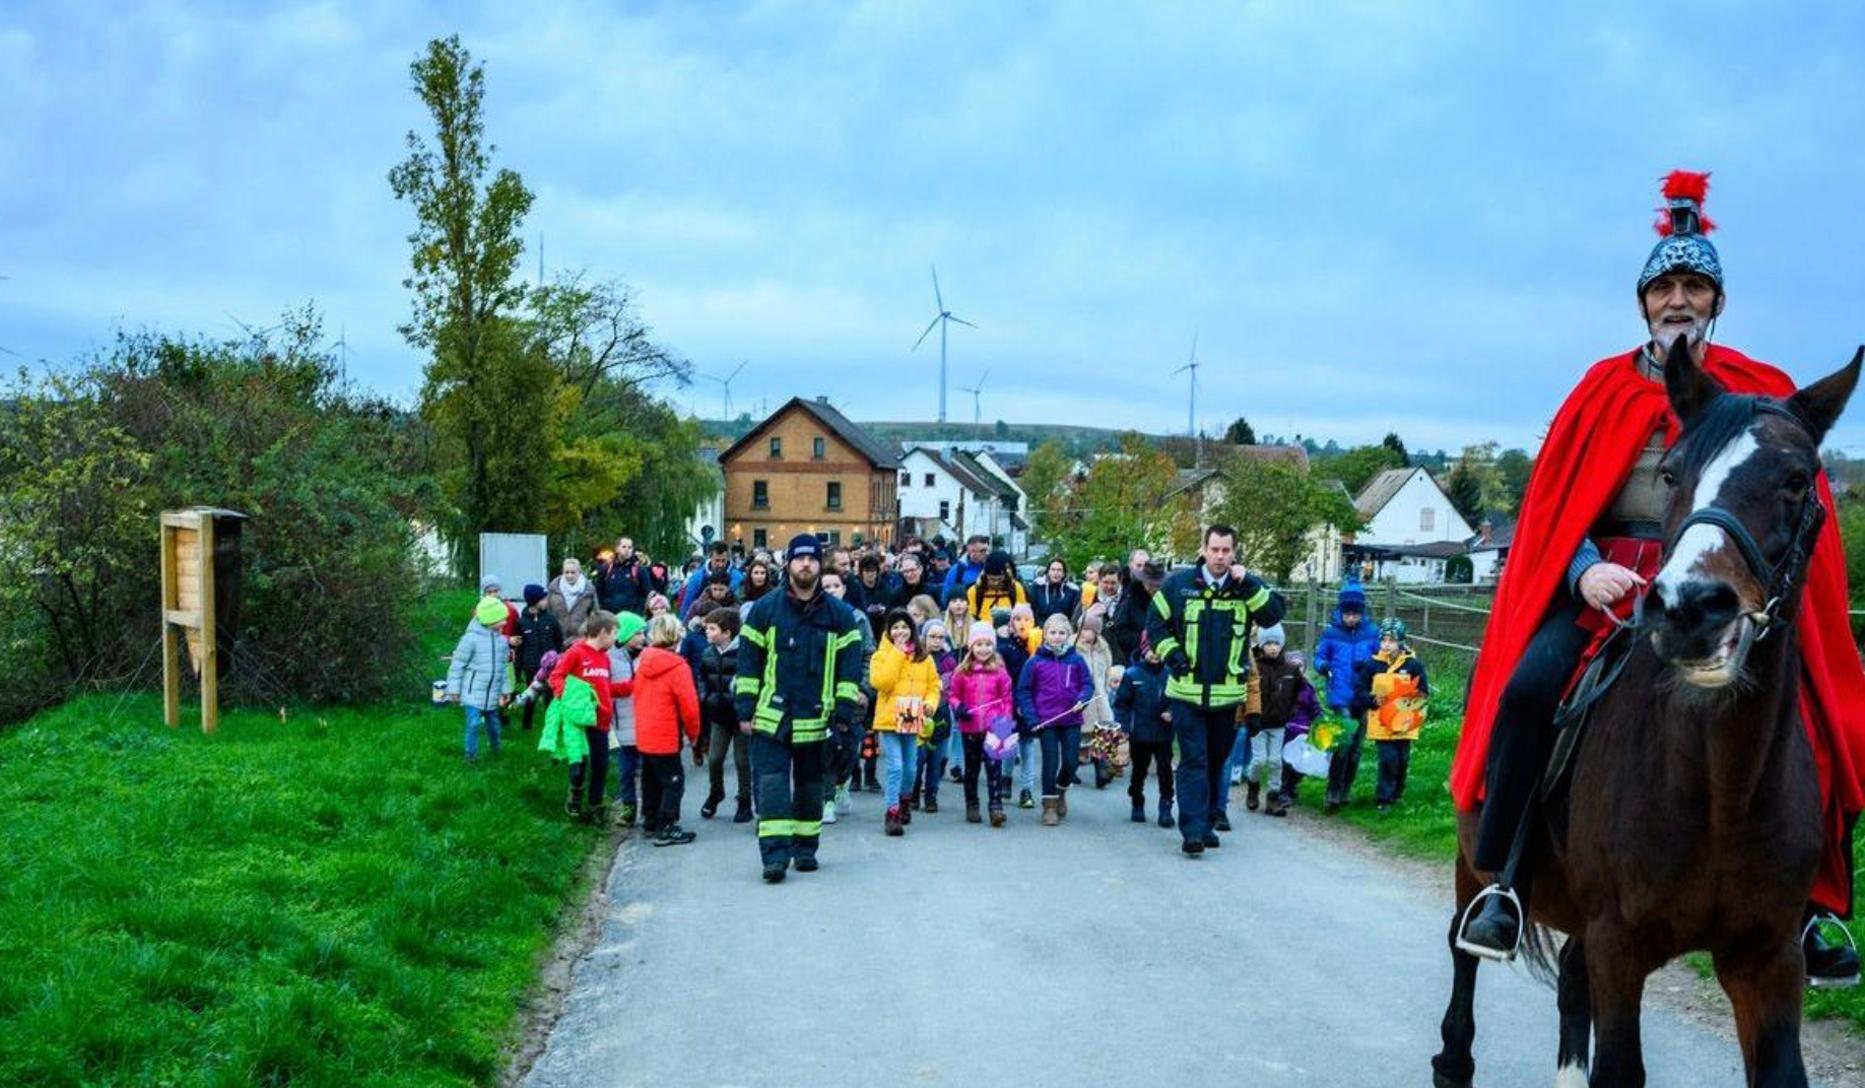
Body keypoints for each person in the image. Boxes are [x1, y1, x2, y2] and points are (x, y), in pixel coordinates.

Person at [1456, 173, 1865, 976]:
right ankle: (1500, 878)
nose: (1678, 299)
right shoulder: (1598, 392)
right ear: (1643, 303)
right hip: (1609, 585)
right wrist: (1581, 575)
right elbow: (1550, 515)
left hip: (1721, 582)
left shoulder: (1757, 391)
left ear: (1715, 300)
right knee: (1530, 688)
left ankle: (1815, 903)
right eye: (1664, 287)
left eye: (1694, 285)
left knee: (1818, 709)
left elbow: (1793, 507)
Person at [1145, 524, 1286, 857]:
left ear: (1234, 552)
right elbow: (1155, 623)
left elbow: (1273, 615)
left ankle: (1207, 821)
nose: (1220, 557)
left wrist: (1248, 581)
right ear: (1203, 549)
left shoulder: (1246, 588)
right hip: (1186, 694)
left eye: (1226, 550)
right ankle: (1192, 830)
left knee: (1216, 761)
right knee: (1193, 760)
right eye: (1215, 549)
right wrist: (1172, 654)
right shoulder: (1179, 586)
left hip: (1227, 698)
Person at [735, 534, 865, 883]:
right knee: (773, 787)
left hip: (817, 718)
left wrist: (842, 713)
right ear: (789, 564)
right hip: (771, 717)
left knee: (810, 788)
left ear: (819, 565)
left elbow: (849, 670)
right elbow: (748, 661)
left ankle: (805, 849)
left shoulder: (840, 616)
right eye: (799, 559)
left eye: (811, 559)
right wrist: (745, 709)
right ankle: (775, 858)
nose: (805, 565)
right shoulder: (766, 609)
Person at [548, 611, 634, 822]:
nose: (616, 639)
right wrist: (567, 697)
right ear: (603, 632)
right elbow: (556, 677)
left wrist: (631, 686)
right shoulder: (576, 652)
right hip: (579, 720)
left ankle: (596, 807)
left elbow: (605, 688)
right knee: (579, 764)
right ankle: (575, 796)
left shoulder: (604, 658)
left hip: (601, 721)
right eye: (615, 633)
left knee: (601, 765)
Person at [1016, 613, 1095, 827]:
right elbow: (1023, 691)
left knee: (1071, 762)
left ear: (1068, 635)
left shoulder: (1076, 660)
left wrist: (1082, 699)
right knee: (1050, 762)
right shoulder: (1035, 662)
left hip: (1071, 719)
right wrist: (1032, 718)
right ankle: (1049, 805)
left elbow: (1087, 685)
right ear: (1045, 635)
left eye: (1062, 633)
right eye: (1053, 632)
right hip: (1046, 721)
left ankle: (1061, 790)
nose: (1057, 637)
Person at [869, 608, 943, 836]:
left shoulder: (924, 658)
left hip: (912, 715)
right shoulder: (881, 655)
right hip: (889, 718)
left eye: (904, 627)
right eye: (895, 627)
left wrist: (931, 703)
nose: (901, 631)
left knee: (911, 767)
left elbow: (933, 685)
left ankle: (904, 802)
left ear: (912, 630)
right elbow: (881, 683)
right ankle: (891, 813)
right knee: (895, 766)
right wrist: (897, 654)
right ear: (888, 631)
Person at [633, 613, 703, 846]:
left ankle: (650, 819)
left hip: (644, 731)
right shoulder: (677, 667)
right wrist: (694, 736)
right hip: (666, 733)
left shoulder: (644, 661)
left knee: (651, 778)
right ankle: (667, 825)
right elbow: (689, 706)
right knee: (674, 781)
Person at [1313, 580, 1379, 812]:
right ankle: (1332, 791)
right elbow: (1319, 656)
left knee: (1356, 748)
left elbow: (1381, 659)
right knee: (1344, 743)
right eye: (1347, 613)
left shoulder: (1372, 633)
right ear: (1341, 611)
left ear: (1362, 612)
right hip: (1340, 695)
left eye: (1356, 613)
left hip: (1362, 696)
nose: (1352, 618)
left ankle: (1345, 791)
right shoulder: (1331, 633)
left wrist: (1370, 666)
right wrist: (1323, 666)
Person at [1353, 619, 1428, 814]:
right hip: (1381, 723)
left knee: (1402, 760)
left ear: (1401, 641)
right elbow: (1360, 689)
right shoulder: (1373, 665)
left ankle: (1397, 794)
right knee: (1388, 759)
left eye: (1391, 640)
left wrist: (1409, 701)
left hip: (1405, 722)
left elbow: (1423, 691)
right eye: (1384, 640)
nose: (1386, 644)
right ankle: (1383, 798)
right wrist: (1371, 700)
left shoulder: (1414, 665)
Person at [820, 568, 879, 805]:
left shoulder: (858, 619)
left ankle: (842, 783)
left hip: (851, 693)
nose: (831, 591)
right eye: (825, 586)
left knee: (848, 749)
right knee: (825, 749)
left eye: (835, 586)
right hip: (820, 695)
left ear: (843, 589)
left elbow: (868, 655)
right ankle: (827, 800)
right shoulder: (812, 616)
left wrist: (864, 689)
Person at [1248, 624, 1319, 818]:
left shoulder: (1290, 669)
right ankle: (1253, 786)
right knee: (1259, 760)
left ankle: (1273, 798)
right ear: (1261, 644)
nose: (1273, 648)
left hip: (1280, 723)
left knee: (1275, 761)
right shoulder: (1254, 666)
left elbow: (1302, 690)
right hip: (1258, 723)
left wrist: (1292, 709)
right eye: (1268, 643)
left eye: (1276, 643)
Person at [948, 621, 1013, 826]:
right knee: (972, 768)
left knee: (994, 768)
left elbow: (1006, 699)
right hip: (970, 726)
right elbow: (953, 694)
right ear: (971, 647)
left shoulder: (1000, 672)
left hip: (993, 729)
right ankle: (972, 803)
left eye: (987, 644)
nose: (983, 649)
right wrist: (958, 707)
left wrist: (1004, 722)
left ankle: (996, 807)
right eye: (979, 644)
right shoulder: (962, 672)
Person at [697, 607, 753, 824]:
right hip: (719, 714)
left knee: (742, 761)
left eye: (712, 629)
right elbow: (702, 677)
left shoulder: (745, 653)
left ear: (727, 632)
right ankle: (716, 792)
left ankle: (745, 800)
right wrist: (705, 697)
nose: (707, 633)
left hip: (741, 715)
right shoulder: (707, 653)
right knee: (714, 758)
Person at [1114, 637, 1174, 827]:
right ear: (1143, 651)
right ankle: (1137, 800)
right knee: (1139, 770)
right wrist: (1123, 727)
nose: (1155, 654)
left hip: (1164, 732)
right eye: (1151, 650)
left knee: (1165, 770)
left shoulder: (1170, 674)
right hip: (1139, 731)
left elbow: (1178, 699)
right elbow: (1122, 703)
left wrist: (1172, 712)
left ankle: (1166, 805)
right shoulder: (1132, 674)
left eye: (1159, 650)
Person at [446, 595, 514, 761]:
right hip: (472, 693)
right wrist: (453, 689)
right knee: (473, 724)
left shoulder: (502, 642)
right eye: (501, 619)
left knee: (494, 726)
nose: (505, 622)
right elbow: (457, 665)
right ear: (490, 620)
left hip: (492, 693)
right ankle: (471, 756)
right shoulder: (470, 639)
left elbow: (503, 669)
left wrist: (505, 691)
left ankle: (496, 750)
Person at [606, 612, 648, 825]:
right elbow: (604, 689)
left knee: (649, 771)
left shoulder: (646, 656)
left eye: (643, 633)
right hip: (622, 723)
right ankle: (629, 808)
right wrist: (629, 687)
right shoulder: (610, 659)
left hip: (644, 722)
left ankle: (650, 809)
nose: (642, 637)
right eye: (637, 633)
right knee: (626, 771)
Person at [913, 620, 958, 812]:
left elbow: (950, 688)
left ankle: (931, 795)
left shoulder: (949, 661)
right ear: (924, 637)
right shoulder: (915, 657)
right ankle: (912, 793)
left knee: (936, 758)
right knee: (917, 757)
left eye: (941, 637)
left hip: (940, 715)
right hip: (916, 712)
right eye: (932, 636)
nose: (937, 640)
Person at [1074, 619, 1119, 788]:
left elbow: (1107, 669)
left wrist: (1107, 688)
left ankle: (1103, 770)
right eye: (1082, 629)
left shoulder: (1103, 648)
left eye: (1088, 630)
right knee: (1079, 735)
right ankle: (1071, 768)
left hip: (1100, 695)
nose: (1084, 633)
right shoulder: (1073, 648)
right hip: (1082, 697)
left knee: (1105, 730)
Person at [514, 584, 564, 732]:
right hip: (531, 666)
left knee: (550, 697)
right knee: (531, 696)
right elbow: (519, 647)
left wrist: (555, 659)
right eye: (543, 599)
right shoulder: (522, 622)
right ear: (535, 601)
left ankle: (551, 726)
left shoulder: (550, 619)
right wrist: (519, 668)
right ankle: (526, 726)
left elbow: (558, 640)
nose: (546, 601)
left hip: (551, 668)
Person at [1107, 559, 1162, 667]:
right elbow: (1120, 630)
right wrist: (1144, 645)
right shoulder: (1131, 600)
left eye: (1157, 584)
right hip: (1136, 659)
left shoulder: (1169, 599)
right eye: (1150, 583)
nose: (1153, 587)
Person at [678, 541, 742, 616]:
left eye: (723, 561)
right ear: (710, 557)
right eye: (717, 560)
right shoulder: (697, 577)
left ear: (728, 558)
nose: (720, 564)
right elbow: (687, 605)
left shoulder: (737, 577)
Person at [598, 537, 654, 616]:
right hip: (609, 616)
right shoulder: (606, 568)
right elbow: (598, 591)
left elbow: (648, 593)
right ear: (617, 549)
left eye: (630, 547)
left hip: (632, 616)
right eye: (624, 547)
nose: (627, 550)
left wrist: (639, 611)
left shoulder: (640, 570)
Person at [965, 549, 1027, 621]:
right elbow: (970, 617)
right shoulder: (975, 591)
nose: (995, 583)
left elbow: (1024, 616)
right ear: (985, 575)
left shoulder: (1016, 588)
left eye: (999, 579)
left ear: (1005, 576)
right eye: (992, 579)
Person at [547, 557, 597, 636]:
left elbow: (595, 614)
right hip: (557, 636)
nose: (569, 576)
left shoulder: (589, 590)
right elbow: (548, 612)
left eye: (573, 572)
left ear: (579, 572)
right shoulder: (553, 588)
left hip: (580, 637)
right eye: (566, 572)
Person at [1029, 557, 1081, 630]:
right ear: (1048, 571)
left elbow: (1074, 616)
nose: (1055, 573)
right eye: (1053, 569)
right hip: (1040, 629)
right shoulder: (1037, 587)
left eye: (1059, 570)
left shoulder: (1072, 591)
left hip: (1063, 630)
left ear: (1063, 573)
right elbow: (1033, 610)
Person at [941, 534, 992, 603]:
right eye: (983, 550)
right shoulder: (957, 570)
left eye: (985, 550)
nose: (986, 553)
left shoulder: (991, 568)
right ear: (970, 551)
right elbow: (946, 596)